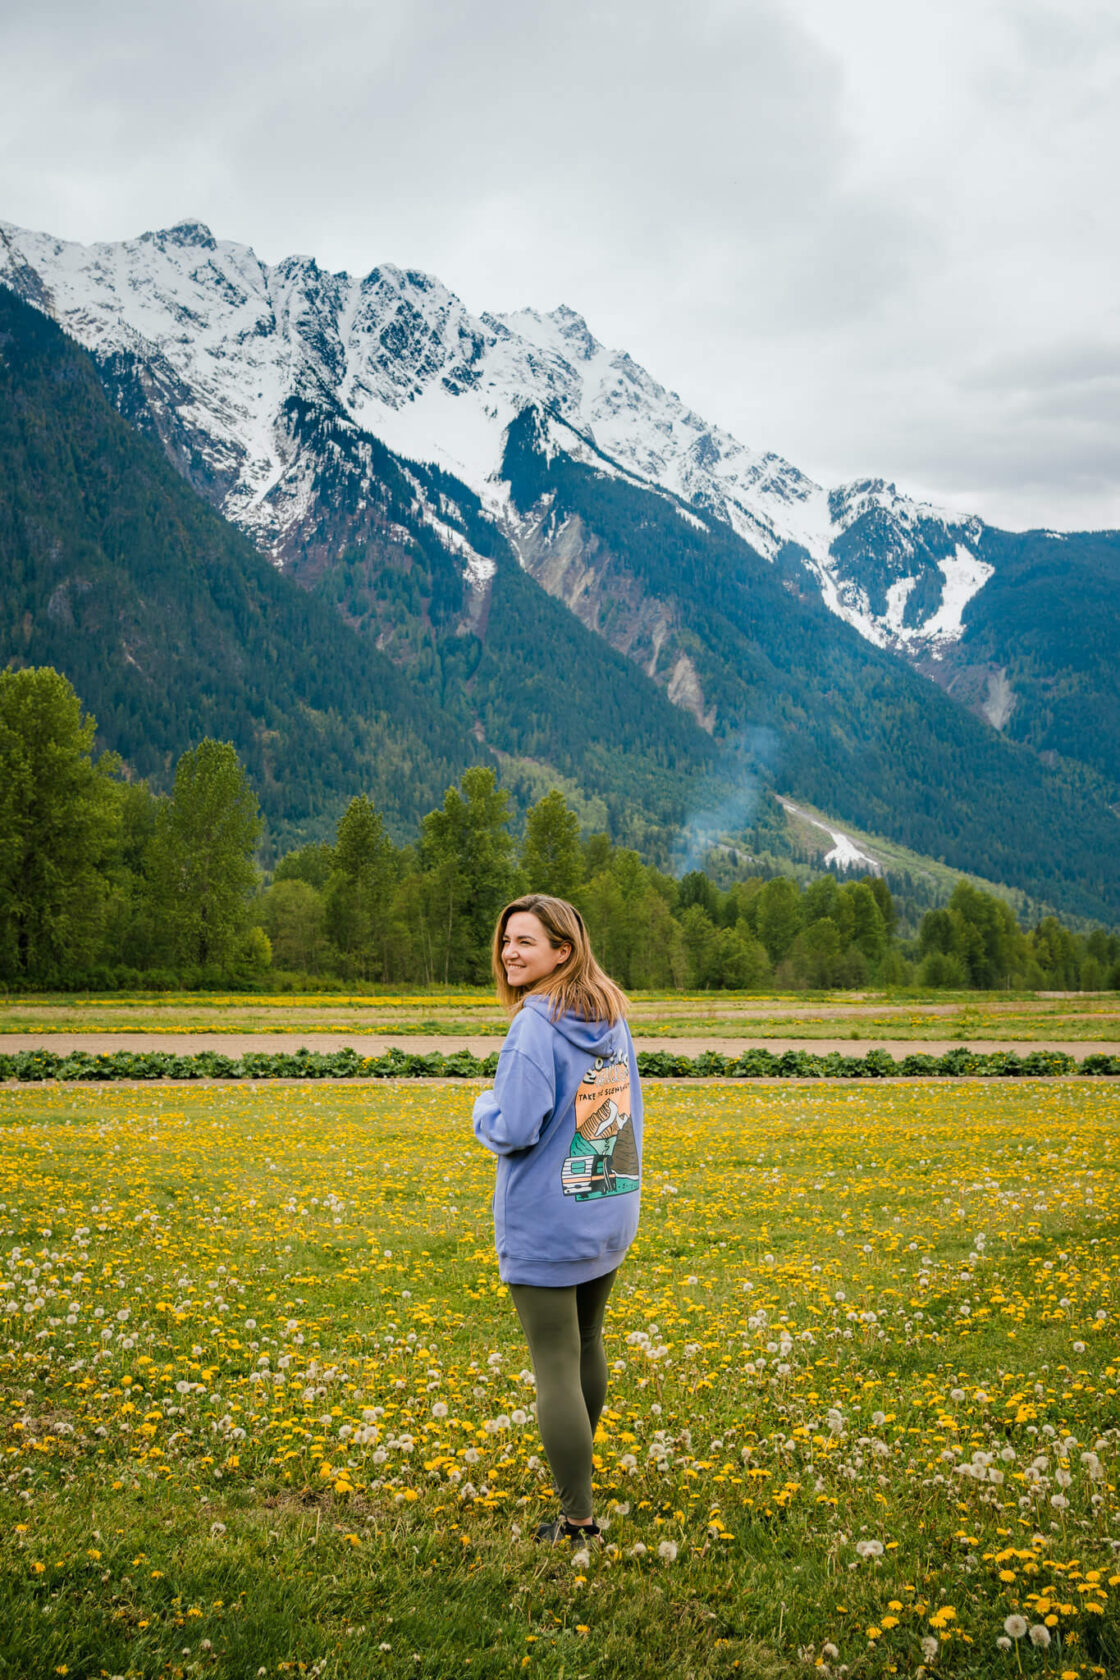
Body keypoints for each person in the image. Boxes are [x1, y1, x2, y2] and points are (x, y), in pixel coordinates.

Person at [472, 893, 642, 1544]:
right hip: (606, 1200)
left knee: (554, 1363)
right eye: (506, 940)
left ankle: (576, 1520)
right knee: (587, 1343)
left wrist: (481, 1108)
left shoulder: (534, 1027)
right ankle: (578, 1464)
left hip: (548, 1218)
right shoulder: (610, 1015)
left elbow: (514, 1128)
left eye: (527, 943)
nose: (510, 953)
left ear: (562, 952)